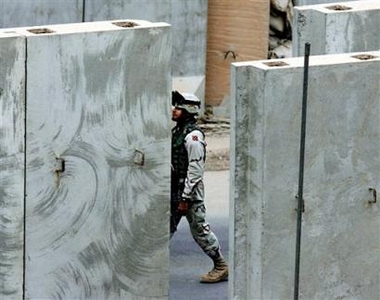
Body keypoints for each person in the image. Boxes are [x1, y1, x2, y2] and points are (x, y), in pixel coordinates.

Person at [170, 90, 228, 283]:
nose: (174, 110)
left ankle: (220, 265)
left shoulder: (193, 137)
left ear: (188, 109)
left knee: (200, 230)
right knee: (163, 229)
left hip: (189, 193)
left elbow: (195, 170)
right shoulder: (177, 132)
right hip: (175, 189)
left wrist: (185, 198)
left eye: (178, 107)